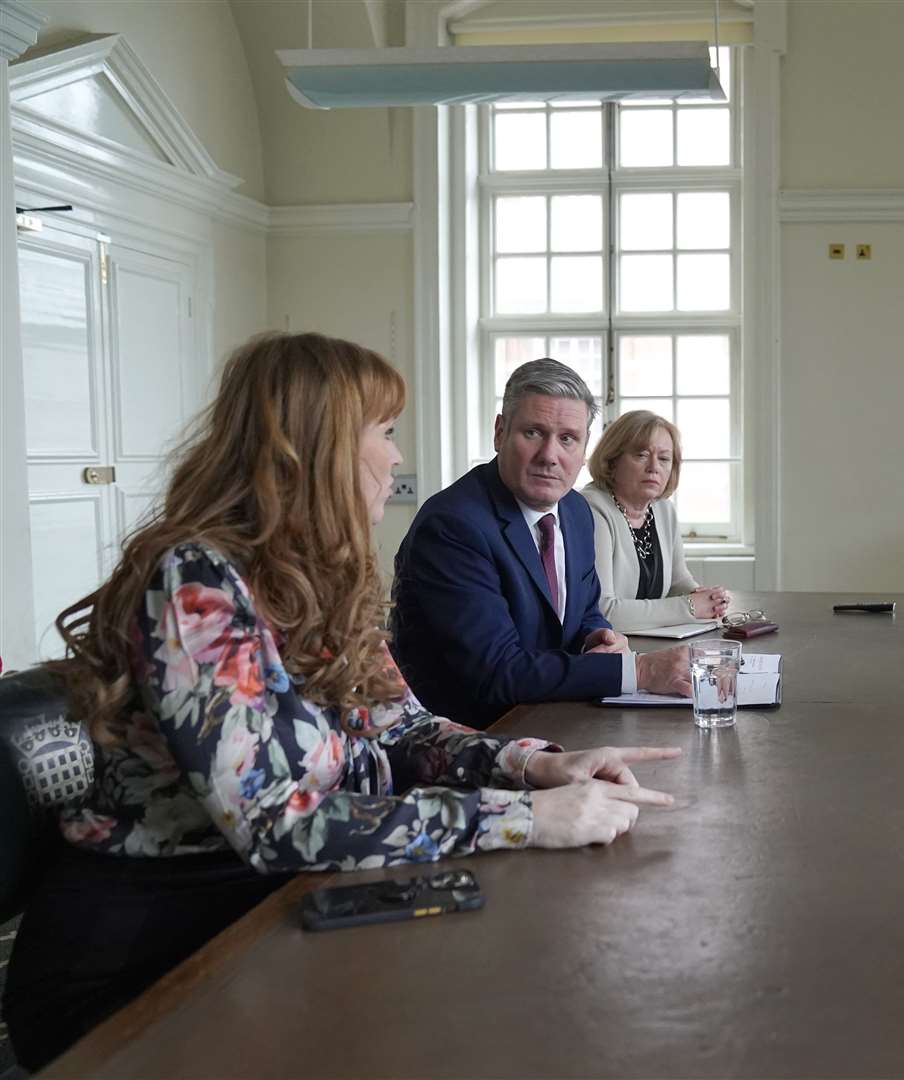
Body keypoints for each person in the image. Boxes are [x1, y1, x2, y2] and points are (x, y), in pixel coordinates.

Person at [1, 333, 681, 1070]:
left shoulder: (317, 577)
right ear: (315, 446)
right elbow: (273, 822)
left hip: (264, 911)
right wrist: (522, 819)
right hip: (150, 963)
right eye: (383, 433)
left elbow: (407, 730)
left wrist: (538, 766)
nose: (395, 458)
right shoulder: (194, 582)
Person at [391, 360, 692, 729]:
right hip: (474, 741)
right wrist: (638, 669)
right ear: (500, 432)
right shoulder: (453, 526)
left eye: (568, 438)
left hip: (554, 718)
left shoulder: (576, 511)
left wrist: (597, 638)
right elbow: (498, 672)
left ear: (583, 450)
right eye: (533, 432)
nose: (550, 455)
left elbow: (585, 611)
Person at [581, 410, 732, 632]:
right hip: (606, 651)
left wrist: (708, 599)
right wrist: (690, 607)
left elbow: (677, 583)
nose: (654, 467)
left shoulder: (663, 510)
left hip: (652, 643)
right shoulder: (591, 508)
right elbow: (604, 611)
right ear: (612, 461)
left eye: (663, 459)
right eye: (641, 455)